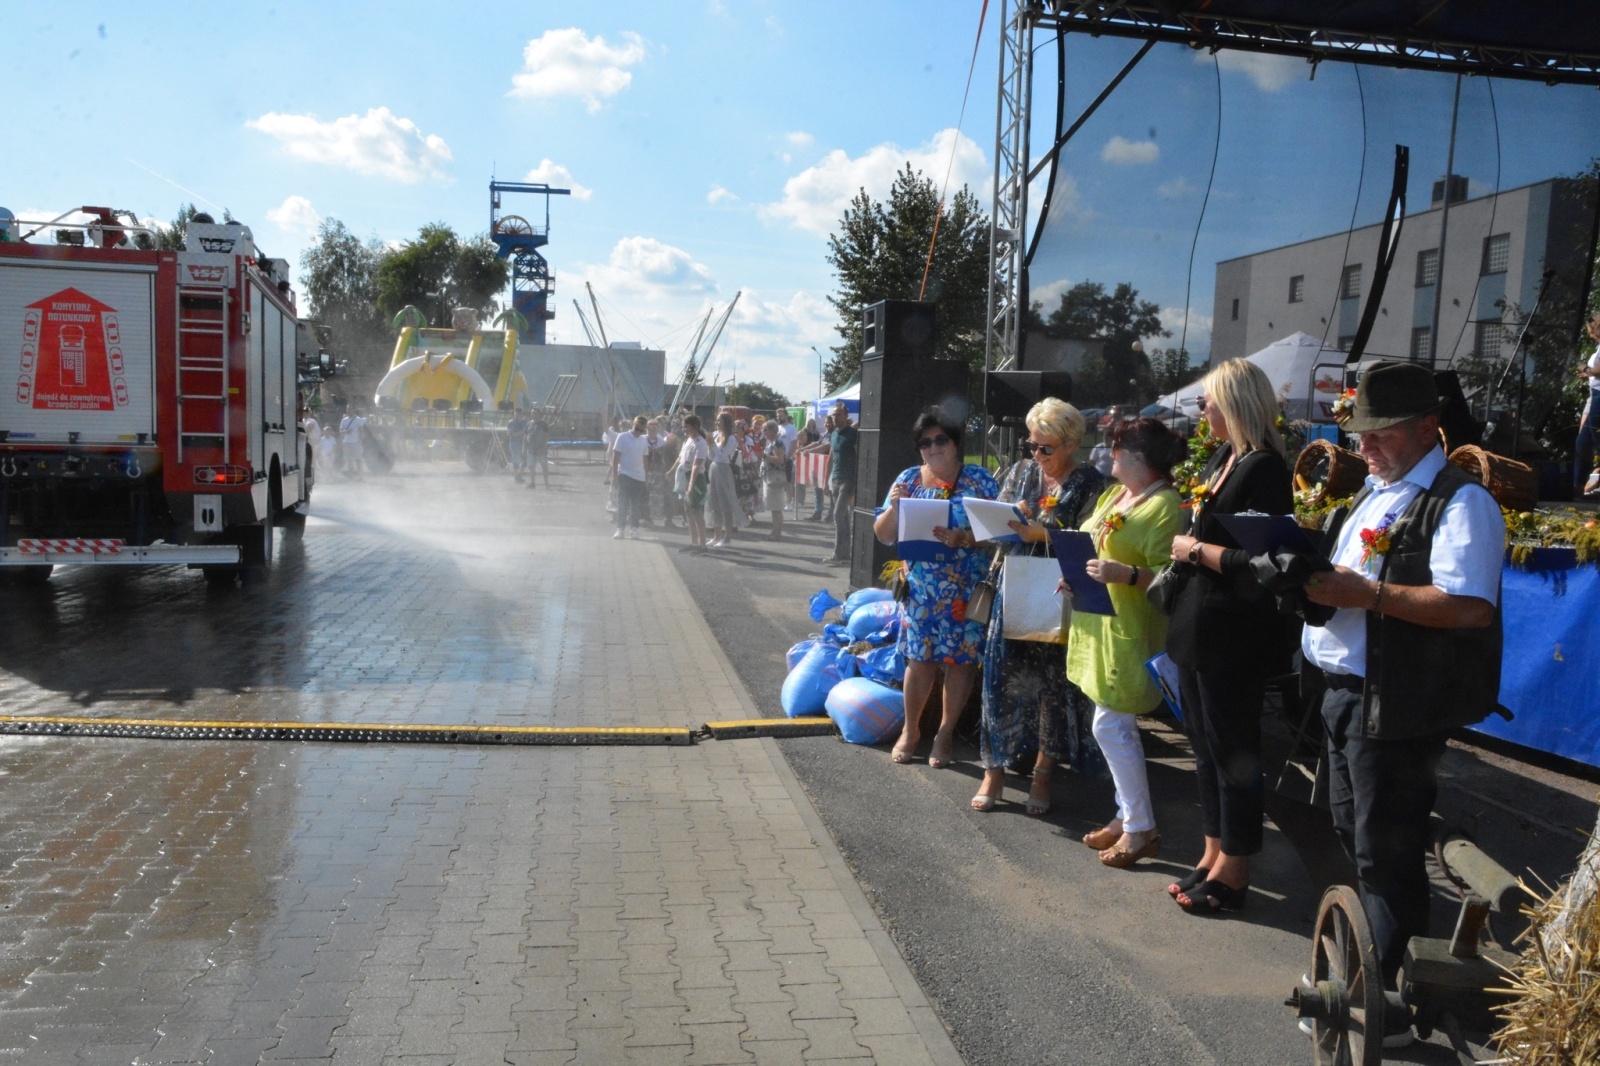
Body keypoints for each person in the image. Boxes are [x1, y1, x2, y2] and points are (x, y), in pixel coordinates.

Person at [1302, 361, 1505, 1041]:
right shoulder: (1379, 492)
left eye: (1380, 435)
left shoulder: (1460, 500)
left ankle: (1388, 1003)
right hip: (1346, 697)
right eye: (1360, 435)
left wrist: (1369, 596)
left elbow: (1471, 608)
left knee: (1384, 853)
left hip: (1394, 705)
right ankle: (1379, 978)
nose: (1364, 448)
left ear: (1427, 428)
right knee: (1358, 841)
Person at [1162, 360, 1295, 913]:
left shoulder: (1263, 467)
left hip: (1233, 633)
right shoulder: (1225, 458)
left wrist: (1196, 550)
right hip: (1199, 625)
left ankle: (1236, 869)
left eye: (1209, 401)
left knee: (1234, 750)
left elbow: (1271, 561)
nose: (1202, 410)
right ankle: (1213, 852)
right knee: (1204, 748)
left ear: (1236, 403)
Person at [973, 398, 1107, 814]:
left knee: (1053, 686)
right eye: (1032, 445)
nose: (1036, 455)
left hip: (1059, 592)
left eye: (1045, 448)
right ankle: (993, 770)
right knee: (1000, 679)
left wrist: (1041, 536)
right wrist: (1004, 523)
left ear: (1069, 445)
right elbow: (996, 524)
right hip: (1013, 583)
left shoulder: (1089, 482)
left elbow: (1092, 541)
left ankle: (1043, 775)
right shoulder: (1020, 472)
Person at [1066, 417, 1184, 869]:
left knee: (1111, 727)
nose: (1109, 454)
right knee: (1111, 724)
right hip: (1100, 622)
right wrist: (1075, 573)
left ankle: (1140, 827)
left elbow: (1173, 579)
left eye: (1116, 448)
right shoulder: (1118, 494)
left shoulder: (1165, 506)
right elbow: (1092, 541)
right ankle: (1126, 816)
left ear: (1138, 458)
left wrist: (1127, 575)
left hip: (1133, 628)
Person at [873, 408, 999, 769]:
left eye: (940, 439)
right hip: (922, 590)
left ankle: (945, 734)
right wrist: (895, 507)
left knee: (961, 663)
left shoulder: (979, 480)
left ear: (956, 442)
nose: (932, 447)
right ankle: (910, 732)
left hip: (966, 589)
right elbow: (883, 535)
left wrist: (966, 538)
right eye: (925, 442)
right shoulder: (909, 480)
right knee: (920, 660)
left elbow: (1000, 533)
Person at [814, 403, 858, 565]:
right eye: (834, 415)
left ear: (846, 416)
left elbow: (860, 456)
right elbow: (831, 459)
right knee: (843, 517)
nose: (835, 417)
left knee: (838, 514)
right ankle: (845, 554)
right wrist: (825, 481)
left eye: (839, 414)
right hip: (836, 479)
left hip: (849, 479)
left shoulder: (853, 434)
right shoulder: (833, 434)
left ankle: (838, 553)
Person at [609, 415, 650, 540]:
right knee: (623, 502)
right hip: (625, 474)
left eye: (641, 428)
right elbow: (615, 457)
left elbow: (645, 459)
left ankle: (634, 529)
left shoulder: (643, 440)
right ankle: (620, 529)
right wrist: (614, 475)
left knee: (635, 504)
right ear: (633, 424)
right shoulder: (622, 437)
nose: (639, 430)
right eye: (637, 427)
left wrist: (646, 477)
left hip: (639, 476)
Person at [706, 411, 742, 549]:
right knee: (715, 504)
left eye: (719, 420)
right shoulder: (716, 435)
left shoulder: (731, 438)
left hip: (724, 469)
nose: (717, 423)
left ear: (726, 422)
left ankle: (727, 538)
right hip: (714, 468)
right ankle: (716, 536)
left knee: (725, 504)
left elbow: (722, 456)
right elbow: (711, 456)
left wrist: (712, 445)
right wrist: (710, 445)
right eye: (716, 420)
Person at [675, 414, 711, 552]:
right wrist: (672, 471)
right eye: (683, 426)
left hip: (695, 478)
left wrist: (691, 485)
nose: (684, 429)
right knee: (688, 511)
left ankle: (703, 545)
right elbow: (680, 458)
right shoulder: (688, 441)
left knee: (696, 511)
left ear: (695, 427)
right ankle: (693, 542)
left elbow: (696, 465)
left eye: (687, 426)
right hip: (684, 475)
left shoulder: (700, 443)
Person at [1574, 312, 1600, 496]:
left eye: (1594, 331)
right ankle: (1578, 485)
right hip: (1595, 393)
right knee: (1583, 442)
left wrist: (1587, 369)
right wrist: (1588, 374)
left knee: (1596, 438)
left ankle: (1594, 480)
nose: (1592, 335)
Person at [759, 420, 789, 540]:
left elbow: (780, 460)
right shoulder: (771, 443)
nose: (764, 432)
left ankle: (777, 532)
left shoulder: (777, 443)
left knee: (777, 507)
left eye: (766, 430)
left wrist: (764, 456)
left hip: (775, 477)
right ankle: (775, 531)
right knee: (774, 507)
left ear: (772, 431)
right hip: (769, 477)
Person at [795, 416, 822, 516]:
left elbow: (817, 442)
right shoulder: (805, 430)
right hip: (805, 456)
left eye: (812, 422)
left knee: (815, 486)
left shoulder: (816, 432)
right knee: (800, 482)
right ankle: (799, 501)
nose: (811, 424)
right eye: (810, 422)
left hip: (813, 456)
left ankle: (817, 509)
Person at [776, 409, 800, 511]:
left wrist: (788, 457)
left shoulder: (791, 428)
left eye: (781, 416)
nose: (779, 418)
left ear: (786, 416)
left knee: (788, 481)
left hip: (787, 459)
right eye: (777, 416)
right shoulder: (777, 428)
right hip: (777, 458)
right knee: (777, 481)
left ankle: (789, 503)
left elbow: (794, 445)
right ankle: (779, 501)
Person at [526, 409, 551, 489]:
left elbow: (546, 436)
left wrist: (543, 447)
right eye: (533, 413)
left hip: (541, 449)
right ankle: (532, 483)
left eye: (536, 413)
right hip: (531, 449)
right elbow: (525, 436)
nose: (534, 415)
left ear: (539, 414)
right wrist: (524, 447)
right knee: (531, 467)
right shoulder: (528, 424)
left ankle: (546, 484)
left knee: (544, 467)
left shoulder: (543, 424)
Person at [507, 407, 529, 481]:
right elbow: (510, 434)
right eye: (515, 414)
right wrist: (522, 432)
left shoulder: (524, 422)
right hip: (514, 444)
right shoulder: (511, 422)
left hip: (523, 443)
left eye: (518, 415)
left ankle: (518, 475)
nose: (516, 416)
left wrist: (520, 433)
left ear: (521, 414)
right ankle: (516, 476)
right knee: (516, 460)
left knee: (525, 461)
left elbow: (527, 432)